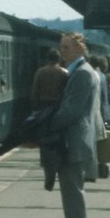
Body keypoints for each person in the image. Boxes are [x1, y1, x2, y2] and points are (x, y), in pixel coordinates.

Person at [45, 32, 101, 218]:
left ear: (79, 49)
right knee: (73, 196)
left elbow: (72, 110)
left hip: (73, 143)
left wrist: (46, 126)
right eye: (61, 47)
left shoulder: (81, 74)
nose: (62, 52)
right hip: (76, 142)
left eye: (66, 48)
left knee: (73, 198)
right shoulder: (84, 72)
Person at [30, 48, 68, 190]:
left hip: (43, 109)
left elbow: (34, 92)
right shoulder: (64, 73)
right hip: (59, 109)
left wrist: (35, 110)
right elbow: (67, 92)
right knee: (59, 141)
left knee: (45, 143)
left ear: (47, 59)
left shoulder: (40, 72)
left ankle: (48, 174)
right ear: (58, 59)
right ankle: (59, 169)